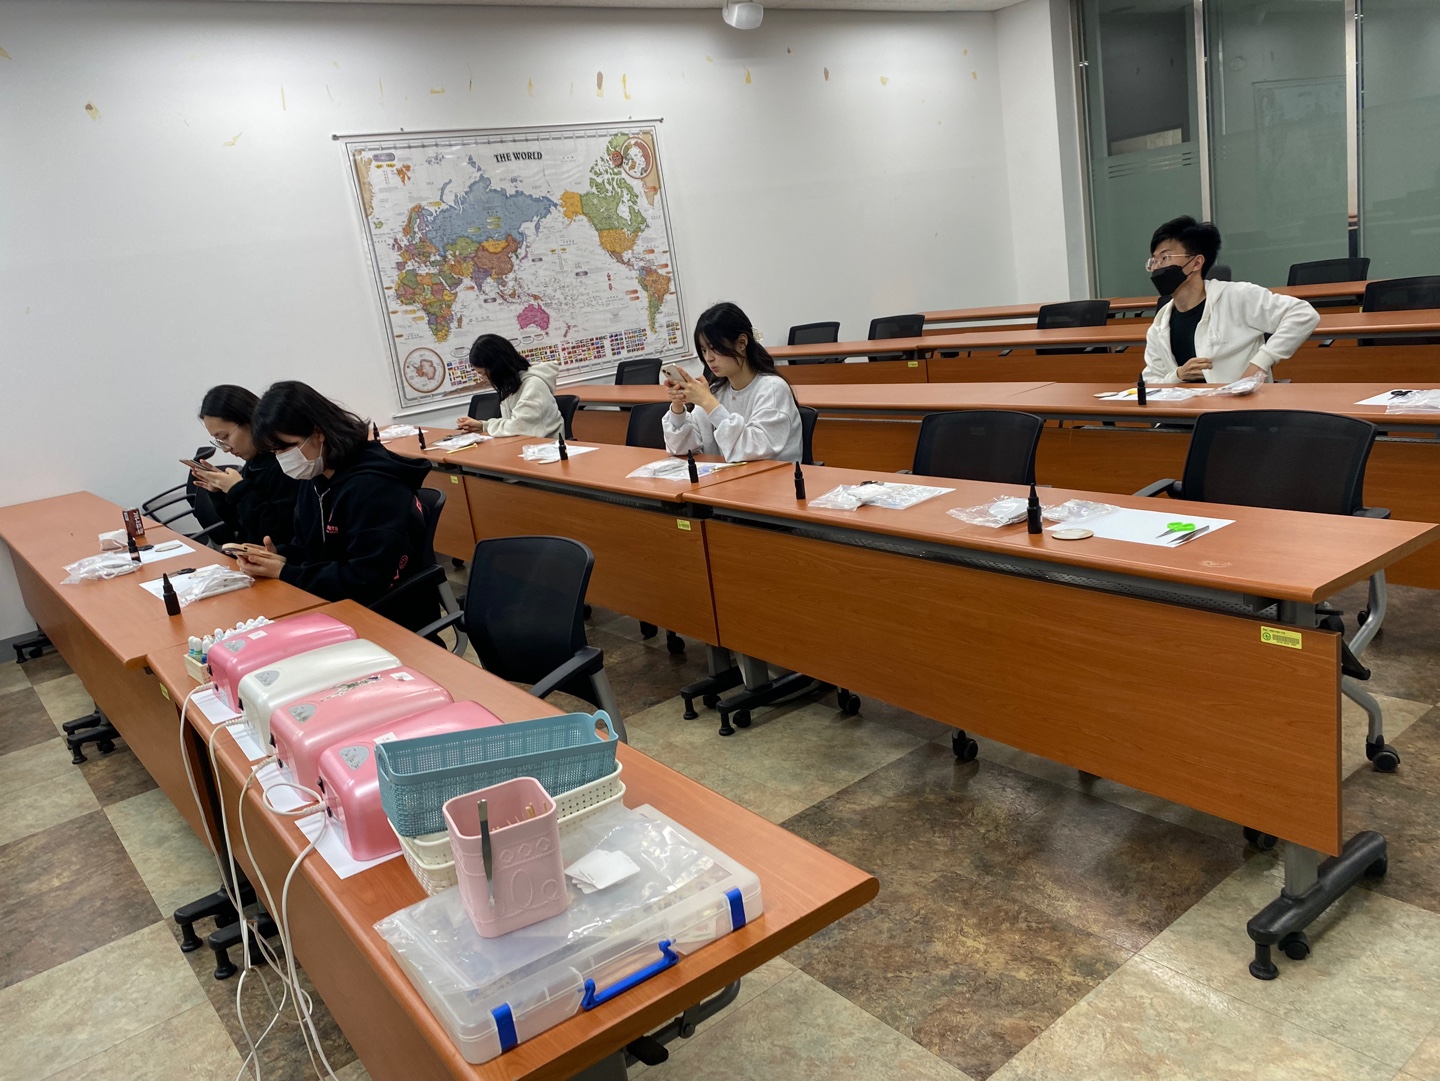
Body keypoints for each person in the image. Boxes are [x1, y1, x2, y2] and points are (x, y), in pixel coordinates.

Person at [234, 381, 437, 632]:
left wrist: (286, 572)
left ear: (318, 432)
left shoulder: (373, 486)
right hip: (336, 602)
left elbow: (364, 578)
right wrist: (279, 556)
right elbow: (309, 546)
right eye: (275, 452)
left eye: (287, 447)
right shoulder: (316, 478)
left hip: (385, 615)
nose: (283, 459)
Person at [1140, 216, 1320, 384]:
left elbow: (1302, 313)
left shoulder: (1236, 297)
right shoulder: (1160, 323)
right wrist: (1177, 376)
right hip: (1183, 407)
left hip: (1239, 405)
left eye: (1165, 258)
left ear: (1196, 263)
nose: (1157, 267)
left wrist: (1260, 363)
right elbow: (1150, 383)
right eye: (1153, 261)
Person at [662, 302, 803, 462]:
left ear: (742, 343)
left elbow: (752, 451)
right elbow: (682, 449)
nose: (708, 358)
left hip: (773, 477)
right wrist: (678, 406)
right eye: (704, 350)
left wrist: (709, 403)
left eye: (715, 348)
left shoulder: (773, 389)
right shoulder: (716, 391)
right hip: (727, 476)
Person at [191, 385, 298, 546]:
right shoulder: (254, 463)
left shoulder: (285, 466)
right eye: (219, 441)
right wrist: (221, 493)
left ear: (250, 421)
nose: (226, 448)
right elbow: (240, 525)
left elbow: (275, 535)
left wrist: (239, 490)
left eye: (225, 437)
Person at [454, 334, 563, 438]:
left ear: (497, 367)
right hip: (525, 444)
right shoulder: (511, 386)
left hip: (547, 446)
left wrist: (487, 426)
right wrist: (483, 426)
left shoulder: (533, 386)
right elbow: (512, 422)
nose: (483, 378)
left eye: (483, 373)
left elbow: (518, 427)